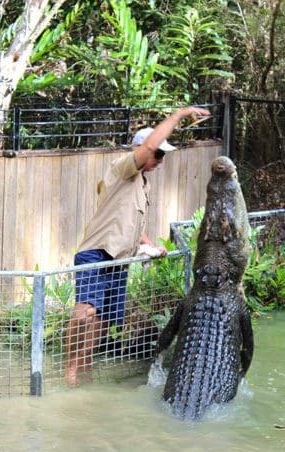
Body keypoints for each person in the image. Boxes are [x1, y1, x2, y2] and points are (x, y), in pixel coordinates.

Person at [65, 106, 211, 385]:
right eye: (157, 154)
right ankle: (70, 369)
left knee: (102, 321)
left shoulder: (143, 185)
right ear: (141, 150)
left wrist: (151, 246)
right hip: (97, 251)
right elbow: (149, 144)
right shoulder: (123, 169)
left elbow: (134, 225)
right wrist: (179, 115)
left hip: (120, 259)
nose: (159, 160)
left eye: (163, 155)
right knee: (85, 313)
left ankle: (83, 370)